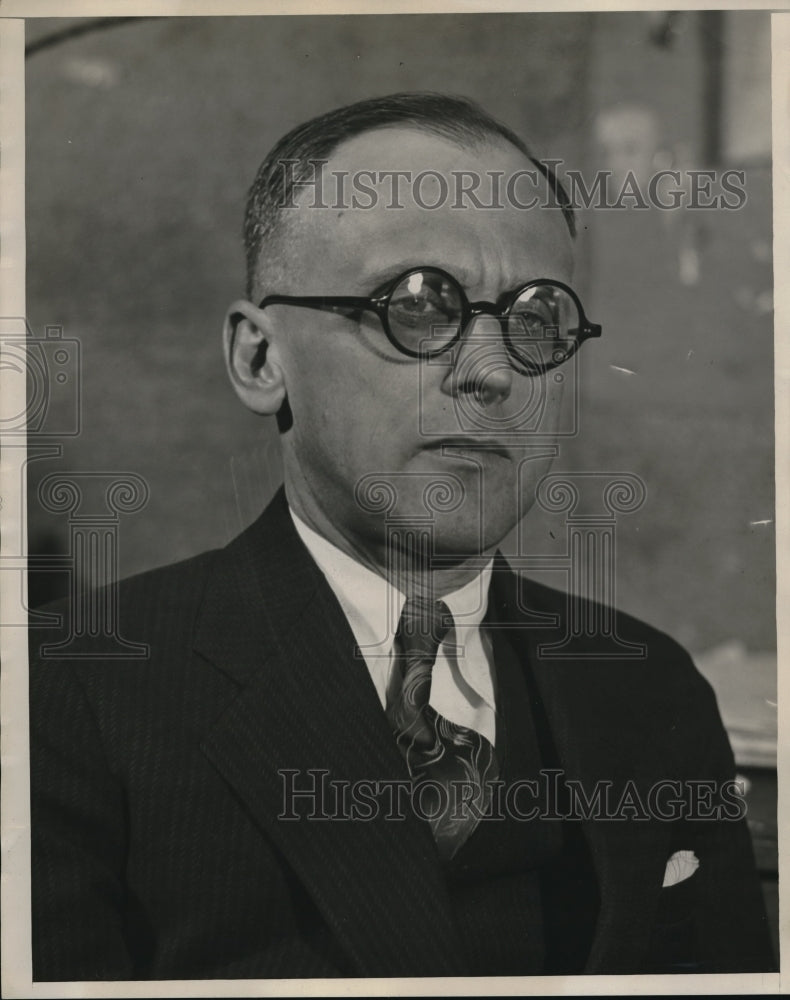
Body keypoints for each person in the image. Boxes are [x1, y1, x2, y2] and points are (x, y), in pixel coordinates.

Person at [29, 92, 774, 980]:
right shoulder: (72, 692)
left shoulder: (650, 688)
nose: (492, 373)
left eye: (535, 320)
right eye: (419, 307)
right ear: (261, 359)